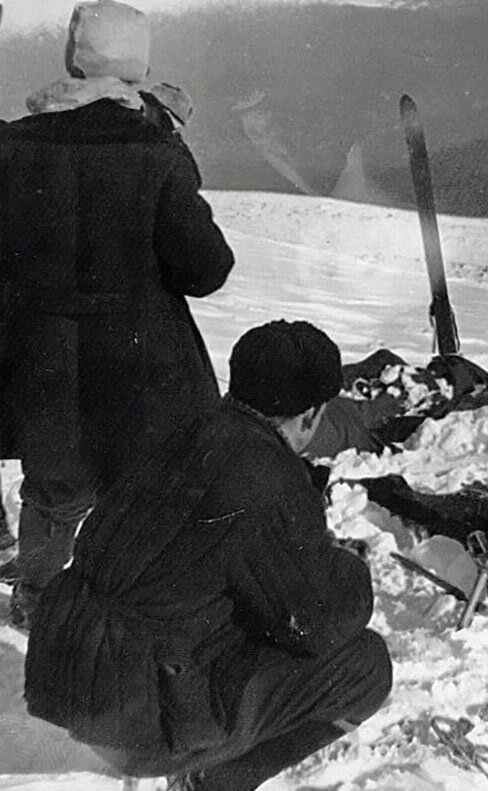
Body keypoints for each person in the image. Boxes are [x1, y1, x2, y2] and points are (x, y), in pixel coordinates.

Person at [24, 320, 392, 791]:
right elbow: (316, 625)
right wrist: (349, 566)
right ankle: (215, 782)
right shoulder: (265, 474)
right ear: (310, 415)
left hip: (63, 674)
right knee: (364, 666)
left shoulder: (177, 430)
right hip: (135, 721)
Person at [0, 0, 234, 626]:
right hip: (139, 362)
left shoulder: (10, 146)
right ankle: (132, 605)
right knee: (142, 489)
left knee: (52, 489)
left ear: (71, 58)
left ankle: (37, 602)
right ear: (141, 65)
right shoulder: (155, 150)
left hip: (40, 359)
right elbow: (206, 270)